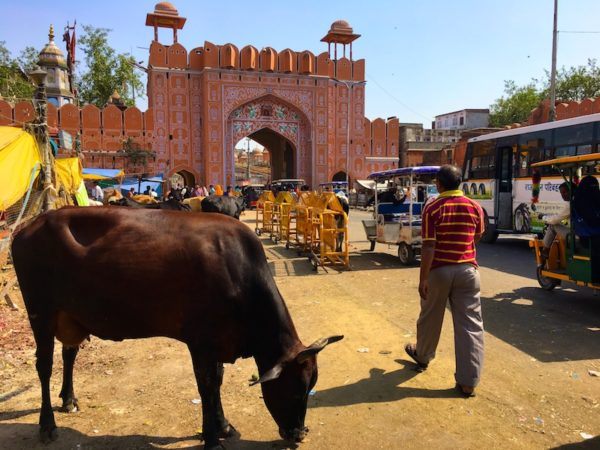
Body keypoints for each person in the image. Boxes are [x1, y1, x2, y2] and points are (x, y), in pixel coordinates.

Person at [404, 164, 485, 398]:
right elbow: (477, 235)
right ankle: (468, 382)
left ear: (438, 184)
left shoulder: (433, 207)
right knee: (470, 326)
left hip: (439, 270)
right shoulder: (474, 207)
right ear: (460, 182)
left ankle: (423, 355)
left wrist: (423, 278)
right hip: (468, 271)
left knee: (430, 317)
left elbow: (428, 245)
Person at [539, 182, 572, 265]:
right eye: (561, 193)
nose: (563, 195)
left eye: (565, 192)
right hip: (589, 235)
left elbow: (554, 220)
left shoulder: (571, 204)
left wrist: (543, 217)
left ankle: (545, 250)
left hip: (577, 237)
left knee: (552, 225)